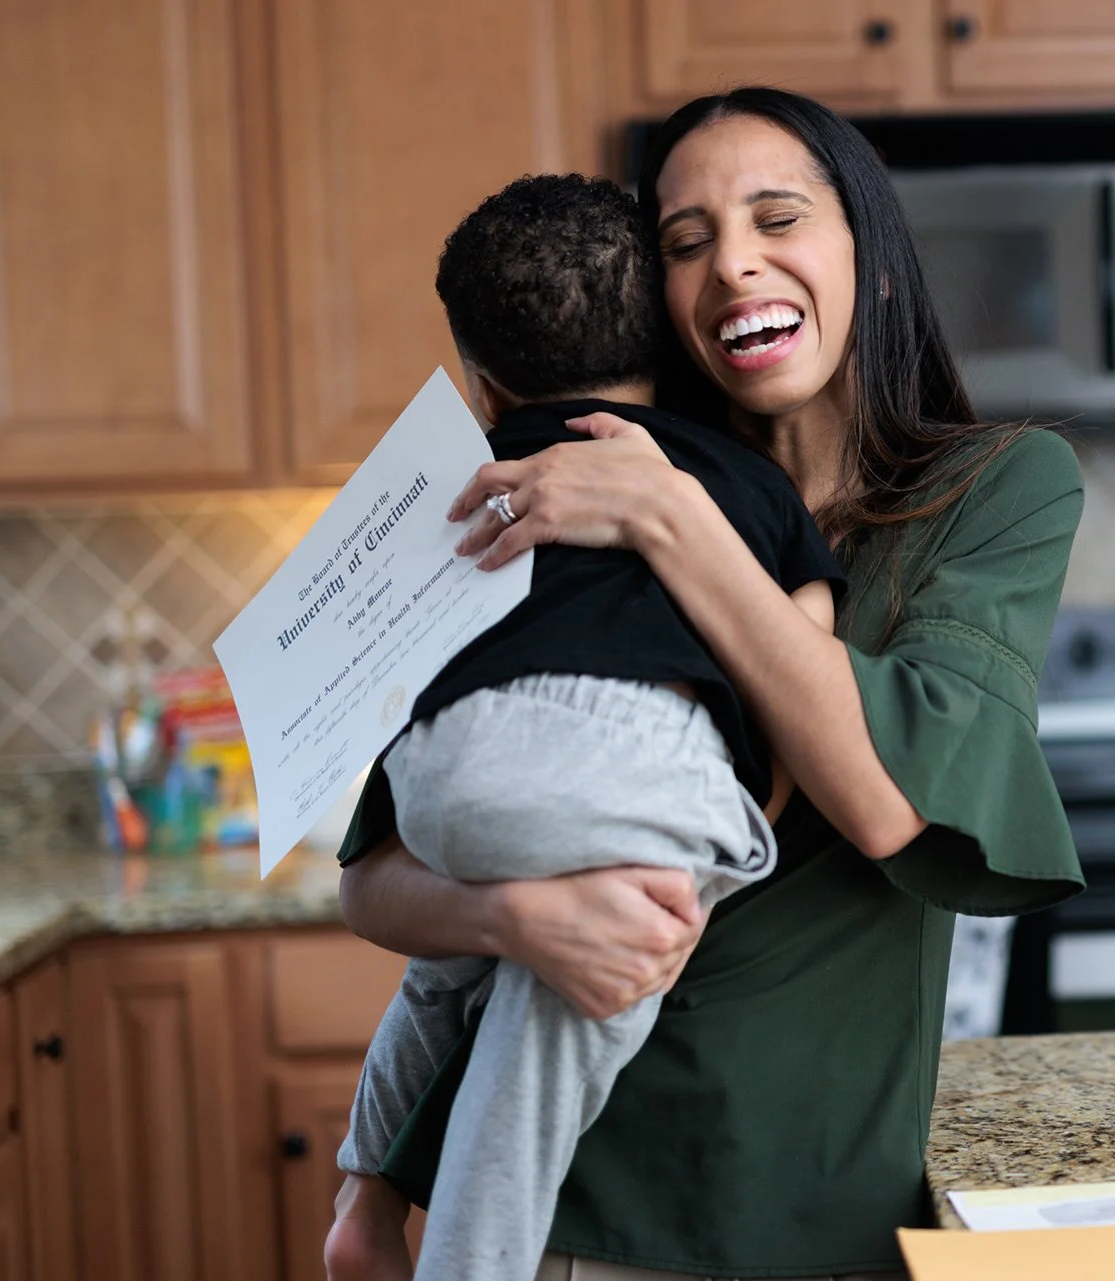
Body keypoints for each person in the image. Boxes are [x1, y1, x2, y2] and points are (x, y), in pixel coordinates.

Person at [327, 87, 1086, 1281]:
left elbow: (888, 800)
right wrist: (514, 918)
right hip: (573, 1203)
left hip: (817, 1191)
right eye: (686, 243)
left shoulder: (998, 491)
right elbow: (374, 879)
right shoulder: (564, 494)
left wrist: (675, 516)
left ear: (870, 258)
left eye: (777, 218)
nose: (735, 266)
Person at [332, 172, 843, 1281]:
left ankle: (360, 1208)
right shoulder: (741, 483)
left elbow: (366, 785)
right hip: (633, 767)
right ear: (666, 341)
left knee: (470, 957)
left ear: (480, 386)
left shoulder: (452, 496)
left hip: (449, 779)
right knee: (562, 1025)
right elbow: (805, 669)